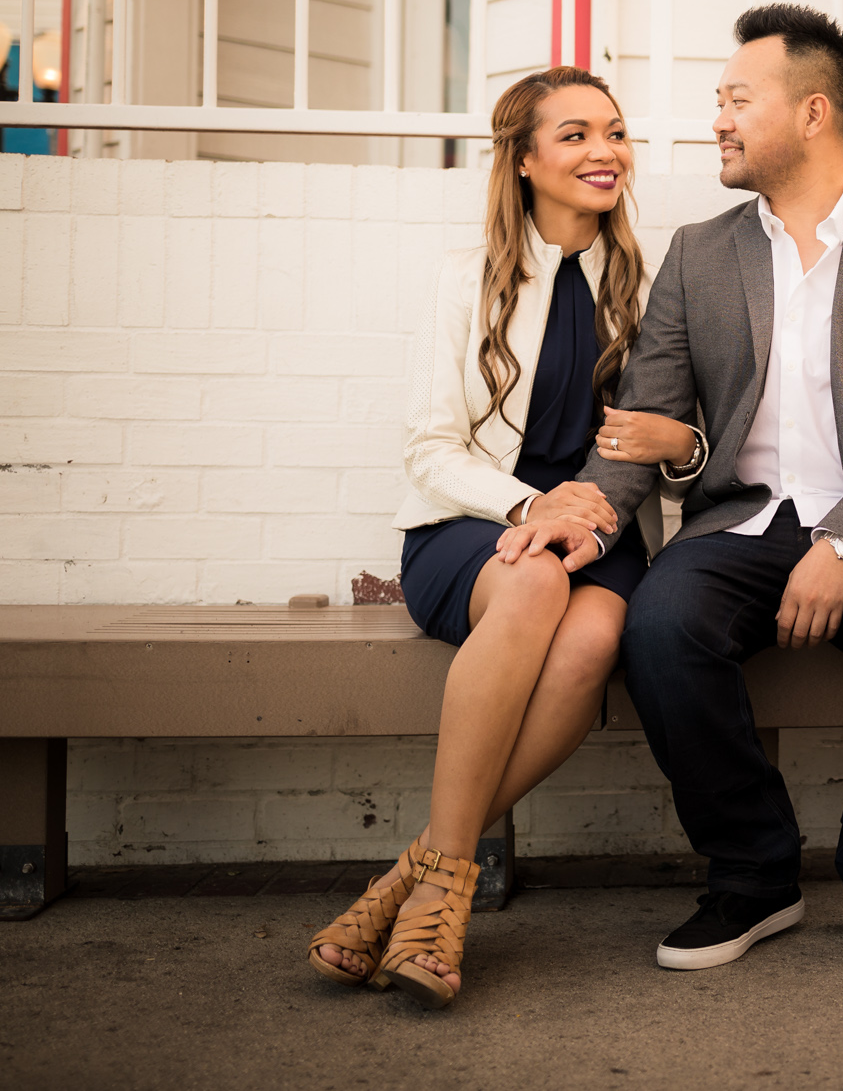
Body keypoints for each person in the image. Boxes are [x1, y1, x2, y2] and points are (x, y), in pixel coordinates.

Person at [504, 4, 843, 972]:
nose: (716, 118)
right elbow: (641, 424)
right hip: (736, 524)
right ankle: (751, 874)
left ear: (813, 113)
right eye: (717, 100)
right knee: (659, 630)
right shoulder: (700, 253)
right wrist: (582, 518)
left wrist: (842, 544)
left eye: (736, 99)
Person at [306, 67, 706, 1009]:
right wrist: (532, 509)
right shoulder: (467, 279)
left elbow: (685, 445)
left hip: (604, 540)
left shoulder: (652, 288)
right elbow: (430, 451)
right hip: (473, 535)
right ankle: (450, 890)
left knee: (596, 636)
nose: (603, 151)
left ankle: (417, 875)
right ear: (524, 161)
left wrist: (655, 469)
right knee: (531, 587)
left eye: (613, 132)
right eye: (573, 135)